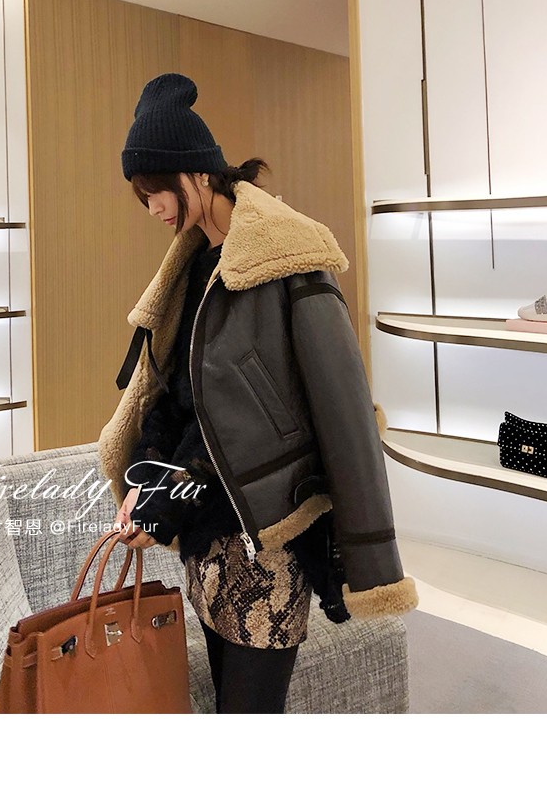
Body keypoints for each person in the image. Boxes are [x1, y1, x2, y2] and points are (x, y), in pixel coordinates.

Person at [98, 72, 418, 714]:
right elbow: (174, 396)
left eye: (157, 189)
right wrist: (148, 482)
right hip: (207, 534)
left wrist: (370, 556)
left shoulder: (287, 259)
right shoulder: (194, 266)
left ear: (198, 174)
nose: (153, 208)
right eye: (143, 197)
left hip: (268, 540)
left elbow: (338, 408)